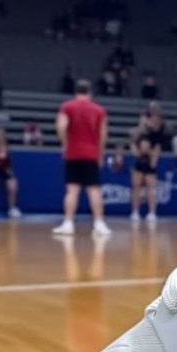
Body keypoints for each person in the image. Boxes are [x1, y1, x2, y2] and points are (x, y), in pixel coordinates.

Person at [53, 79, 110, 237]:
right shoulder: (99, 110)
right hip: (91, 154)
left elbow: (61, 126)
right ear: (90, 92)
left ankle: (68, 224)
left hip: (72, 153)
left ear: (75, 91)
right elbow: (103, 135)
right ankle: (99, 224)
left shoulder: (67, 106)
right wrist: (100, 154)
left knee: (72, 190)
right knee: (94, 190)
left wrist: (65, 143)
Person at [130, 108, 163, 223]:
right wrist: (137, 153)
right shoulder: (136, 132)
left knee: (151, 188)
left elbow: (157, 148)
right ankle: (135, 212)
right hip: (139, 161)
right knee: (136, 187)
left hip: (150, 161)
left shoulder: (156, 132)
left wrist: (154, 158)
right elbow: (133, 145)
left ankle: (152, 212)